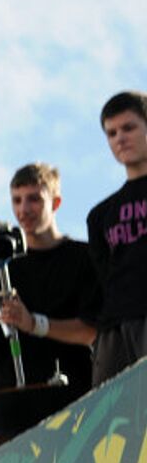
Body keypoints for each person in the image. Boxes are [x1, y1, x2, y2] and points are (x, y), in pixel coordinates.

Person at [0, 163, 100, 455]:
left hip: (71, 399)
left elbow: (93, 330)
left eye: (34, 198)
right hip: (5, 405)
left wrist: (35, 323)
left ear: (56, 202)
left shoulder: (84, 257)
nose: (24, 209)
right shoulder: (0, 261)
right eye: (17, 200)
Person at [87, 90, 147, 384]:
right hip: (115, 330)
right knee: (112, 422)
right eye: (111, 133)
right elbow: (103, 280)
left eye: (129, 128)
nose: (120, 138)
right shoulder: (100, 215)